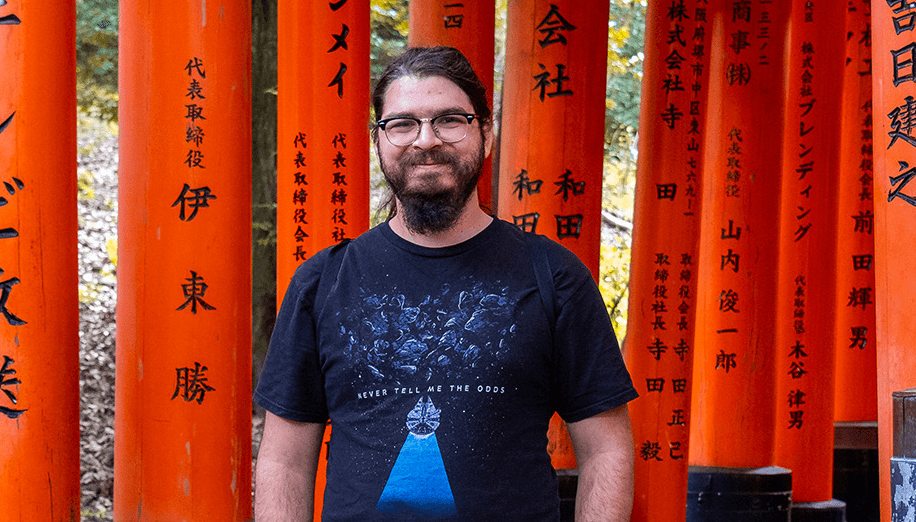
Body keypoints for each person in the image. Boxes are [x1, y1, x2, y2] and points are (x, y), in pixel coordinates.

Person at [254, 46, 637, 521]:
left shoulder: (553, 276)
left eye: (450, 120)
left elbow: (606, 450)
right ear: (379, 141)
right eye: (403, 123)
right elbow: (284, 462)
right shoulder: (322, 281)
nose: (426, 140)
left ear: (486, 134)